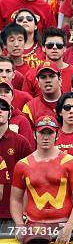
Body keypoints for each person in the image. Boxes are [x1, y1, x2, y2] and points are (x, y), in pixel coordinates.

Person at [10, 115, 73, 244]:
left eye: (50, 132)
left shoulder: (70, 162)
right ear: (34, 134)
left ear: (57, 135)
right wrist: (19, 224)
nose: (46, 137)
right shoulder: (22, 164)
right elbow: (15, 199)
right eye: (42, 132)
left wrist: (69, 226)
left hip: (64, 224)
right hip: (34, 227)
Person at [0, 97, 33, 231]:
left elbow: (30, 179)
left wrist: (25, 212)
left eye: (3, 107)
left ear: (10, 112)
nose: (0, 111)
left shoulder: (21, 142)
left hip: (13, 214)